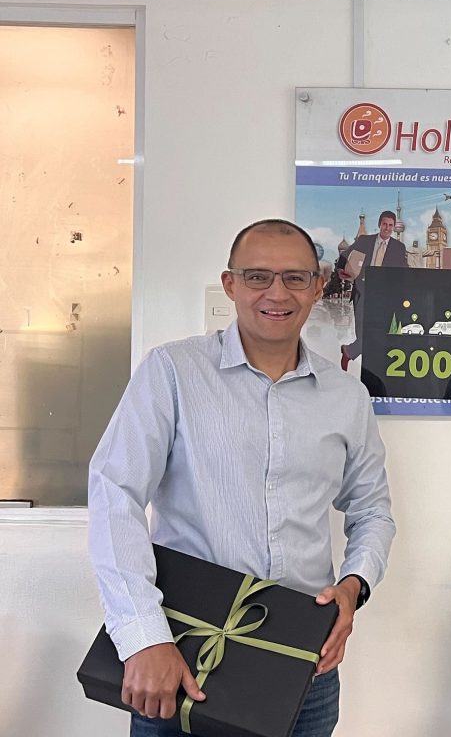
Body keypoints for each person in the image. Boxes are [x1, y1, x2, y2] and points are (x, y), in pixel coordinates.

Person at [88, 219, 396, 737]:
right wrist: (143, 637)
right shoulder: (172, 372)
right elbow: (114, 493)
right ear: (230, 285)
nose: (277, 293)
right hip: (183, 653)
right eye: (257, 277)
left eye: (295, 278)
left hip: (304, 660)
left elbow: (372, 509)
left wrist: (353, 585)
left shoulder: (347, 396)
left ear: (318, 286)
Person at [340, 210, 409, 370]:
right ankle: (351, 353)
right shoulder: (365, 241)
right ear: (379, 224)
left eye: (391, 225)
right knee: (362, 331)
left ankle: (349, 351)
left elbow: (403, 270)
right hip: (362, 290)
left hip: (382, 295)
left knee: (376, 331)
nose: (387, 228)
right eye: (385, 224)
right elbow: (346, 254)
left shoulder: (399, 247)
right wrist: (340, 269)